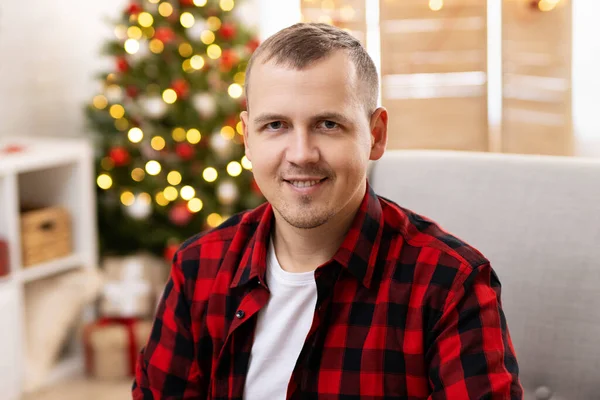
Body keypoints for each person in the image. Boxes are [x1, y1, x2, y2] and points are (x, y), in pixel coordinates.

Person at [133, 22, 522, 399]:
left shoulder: (451, 285)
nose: (301, 154)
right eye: (275, 125)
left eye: (328, 124)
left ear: (376, 135)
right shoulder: (198, 267)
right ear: (247, 138)